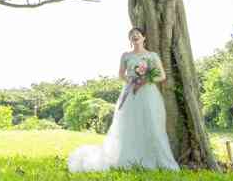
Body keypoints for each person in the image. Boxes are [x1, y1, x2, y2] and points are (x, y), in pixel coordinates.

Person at [67, 27, 180, 172]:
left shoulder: (152, 55)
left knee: (151, 123)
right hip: (130, 93)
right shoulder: (126, 56)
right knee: (128, 125)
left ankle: (155, 159)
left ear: (144, 37)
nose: (135, 36)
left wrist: (145, 80)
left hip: (149, 94)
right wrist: (132, 80)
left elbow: (162, 76)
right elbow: (121, 74)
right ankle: (128, 159)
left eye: (137, 34)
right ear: (130, 39)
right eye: (131, 35)